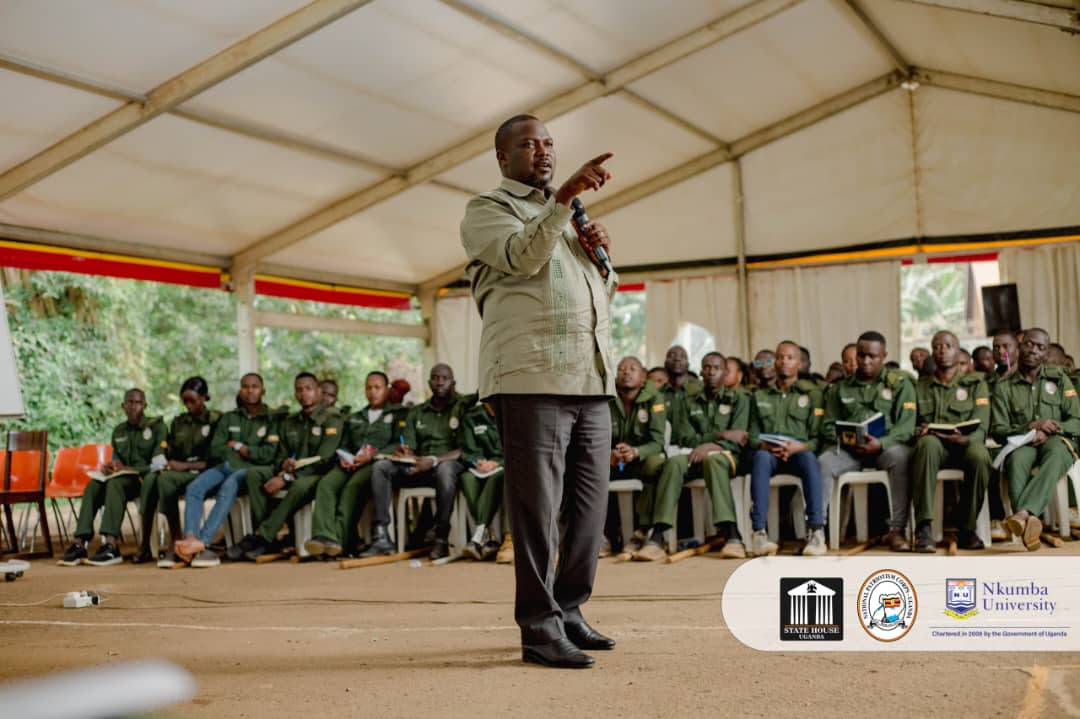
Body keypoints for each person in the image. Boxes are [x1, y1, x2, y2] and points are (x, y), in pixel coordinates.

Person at [460, 113, 618, 669]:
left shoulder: (571, 216)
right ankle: (539, 628)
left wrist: (601, 256)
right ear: (503, 157)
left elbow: (603, 295)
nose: (544, 152)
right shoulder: (487, 211)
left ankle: (569, 610)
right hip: (530, 379)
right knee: (537, 511)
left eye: (549, 143)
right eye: (529, 144)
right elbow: (522, 258)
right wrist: (563, 204)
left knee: (588, 508)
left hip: (589, 378)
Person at [229, 372, 344, 561]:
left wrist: (286, 478)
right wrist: (283, 465)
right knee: (254, 474)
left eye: (308, 389)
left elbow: (324, 459)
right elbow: (279, 455)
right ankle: (271, 537)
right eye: (299, 390)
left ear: (318, 392)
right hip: (291, 471)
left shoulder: (332, 419)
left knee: (298, 485)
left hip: (318, 475)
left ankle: (260, 537)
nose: (303, 394)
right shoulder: (290, 422)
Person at [819, 331, 916, 551]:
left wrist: (881, 443)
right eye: (861, 355)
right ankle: (817, 530)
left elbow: (907, 426)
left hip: (885, 448)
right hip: (850, 450)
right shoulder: (840, 388)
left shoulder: (899, 384)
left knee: (901, 457)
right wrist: (847, 439)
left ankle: (897, 530)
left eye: (872, 356)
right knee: (824, 462)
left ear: (884, 356)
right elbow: (827, 425)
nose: (865, 361)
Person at [174, 373, 280, 567]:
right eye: (245, 387)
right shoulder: (230, 418)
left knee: (228, 487)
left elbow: (268, 454)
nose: (250, 390)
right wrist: (241, 451)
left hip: (249, 470)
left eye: (255, 386)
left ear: (262, 390)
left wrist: (239, 447)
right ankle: (190, 537)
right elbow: (215, 449)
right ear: (240, 390)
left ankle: (203, 541)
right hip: (225, 466)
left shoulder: (272, 419)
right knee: (195, 487)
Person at [650, 352, 749, 559]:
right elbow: (686, 438)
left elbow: (740, 438)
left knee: (713, 459)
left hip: (731, 458)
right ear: (701, 371)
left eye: (717, 368)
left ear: (725, 372)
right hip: (695, 455)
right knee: (675, 462)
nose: (711, 372)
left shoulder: (740, 398)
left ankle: (731, 534)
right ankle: (658, 535)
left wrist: (712, 446)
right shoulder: (689, 401)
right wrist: (718, 436)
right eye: (707, 367)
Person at [364, 364, 466, 560]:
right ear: (429, 383)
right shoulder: (417, 412)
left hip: (448, 467)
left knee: (445, 470)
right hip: (418, 467)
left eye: (444, 378)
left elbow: (466, 449)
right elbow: (409, 444)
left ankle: (441, 539)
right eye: (435, 377)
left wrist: (434, 460)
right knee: (381, 467)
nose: (440, 382)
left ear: (453, 382)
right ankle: (382, 536)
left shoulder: (462, 409)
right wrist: (406, 451)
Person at [990, 328, 1080, 551]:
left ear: (1045, 353)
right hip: (1023, 442)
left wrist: (1049, 429)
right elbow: (999, 430)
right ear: (1020, 346)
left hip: (1057, 440)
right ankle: (1030, 526)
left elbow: (1076, 419)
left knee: (1058, 452)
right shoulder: (1004, 386)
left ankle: (1021, 515)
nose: (1033, 351)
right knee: (1017, 460)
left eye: (1040, 347)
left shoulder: (1058, 378)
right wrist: (1030, 426)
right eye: (1029, 344)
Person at [61, 389, 166, 566]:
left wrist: (129, 468)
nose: (133, 406)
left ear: (145, 405)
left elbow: (158, 464)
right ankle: (80, 542)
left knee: (115, 483)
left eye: (138, 402)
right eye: (130, 402)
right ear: (123, 406)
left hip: (143, 480)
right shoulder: (119, 431)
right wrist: (111, 466)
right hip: (122, 479)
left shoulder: (157, 428)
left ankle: (111, 544)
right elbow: (116, 458)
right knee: (94, 485)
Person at [305, 371, 403, 558]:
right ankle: (323, 535)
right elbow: (344, 444)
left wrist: (372, 456)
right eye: (368, 388)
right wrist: (344, 457)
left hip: (374, 465)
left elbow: (398, 444)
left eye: (377, 387)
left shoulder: (398, 414)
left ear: (387, 389)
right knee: (326, 483)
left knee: (352, 487)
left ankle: (339, 541)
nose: (372, 392)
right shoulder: (356, 416)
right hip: (349, 463)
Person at [910, 331, 992, 552]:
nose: (942, 350)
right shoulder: (920, 386)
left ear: (958, 350)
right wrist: (921, 431)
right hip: (935, 448)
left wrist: (966, 439)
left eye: (948, 345)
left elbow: (982, 426)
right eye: (937, 346)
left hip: (964, 444)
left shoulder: (976, 384)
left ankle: (966, 528)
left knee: (981, 455)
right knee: (927, 444)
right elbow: (910, 424)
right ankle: (924, 528)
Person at [747, 342, 826, 556]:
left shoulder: (813, 395)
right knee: (761, 458)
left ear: (799, 364)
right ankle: (759, 534)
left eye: (790, 358)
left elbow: (819, 437)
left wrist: (800, 446)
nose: (784, 362)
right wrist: (765, 445)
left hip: (798, 454)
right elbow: (752, 436)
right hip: (771, 454)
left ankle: (817, 532)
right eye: (780, 357)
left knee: (810, 459)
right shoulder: (760, 397)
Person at [147, 377, 220, 566]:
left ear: (204, 398)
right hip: (182, 473)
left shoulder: (216, 420)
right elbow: (172, 450)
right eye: (184, 401)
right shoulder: (179, 423)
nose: (188, 405)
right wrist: (164, 462)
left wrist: (184, 466)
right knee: (164, 480)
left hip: (207, 472)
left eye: (193, 401)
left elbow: (217, 459)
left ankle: (193, 540)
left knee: (177, 479)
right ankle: (176, 539)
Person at [606, 357, 666, 559]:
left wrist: (635, 452)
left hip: (640, 459)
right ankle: (602, 535)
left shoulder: (654, 398)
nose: (626, 372)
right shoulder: (607, 396)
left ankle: (643, 530)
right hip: (613, 460)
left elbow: (658, 442)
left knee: (656, 464)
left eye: (632, 369)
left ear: (643, 376)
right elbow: (595, 434)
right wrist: (608, 454)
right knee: (587, 469)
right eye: (622, 368)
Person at [458, 399, 506, 561]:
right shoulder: (472, 416)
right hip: (479, 467)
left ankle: (477, 536)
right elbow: (466, 450)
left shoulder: (510, 413)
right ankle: (488, 536)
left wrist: (497, 463)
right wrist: (477, 461)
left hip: (502, 467)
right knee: (467, 478)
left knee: (496, 478)